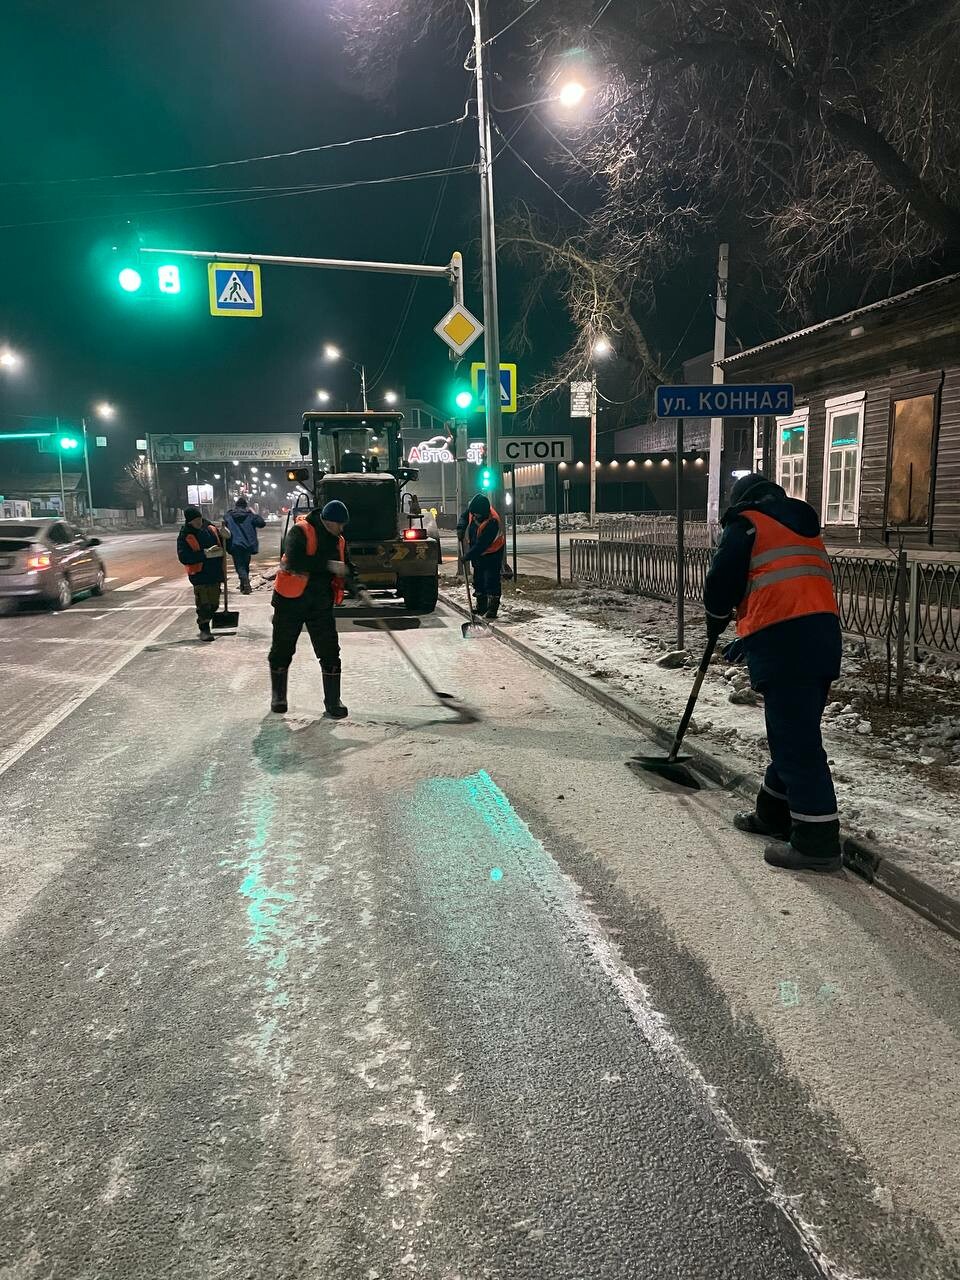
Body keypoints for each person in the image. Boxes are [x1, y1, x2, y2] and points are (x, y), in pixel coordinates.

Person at [703, 471, 843, 873]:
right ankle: (774, 814)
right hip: (821, 638)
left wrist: (716, 619)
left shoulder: (747, 524)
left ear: (743, 500)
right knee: (792, 732)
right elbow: (790, 589)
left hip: (785, 644)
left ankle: (817, 843)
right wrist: (749, 639)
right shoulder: (801, 526)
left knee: (797, 743)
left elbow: (720, 583)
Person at [268, 499, 357, 717]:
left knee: (330, 651)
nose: (342, 529)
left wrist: (357, 584)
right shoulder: (300, 531)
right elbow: (295, 561)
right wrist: (328, 565)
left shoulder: (339, 540)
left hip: (320, 603)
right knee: (282, 649)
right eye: (340, 524)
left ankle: (333, 701)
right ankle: (278, 697)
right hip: (290, 601)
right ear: (329, 521)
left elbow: (346, 566)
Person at [177, 505, 227, 643]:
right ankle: (204, 629)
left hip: (215, 572)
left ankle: (207, 621)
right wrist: (204, 554)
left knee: (214, 603)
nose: (198, 522)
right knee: (204, 604)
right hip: (199, 574)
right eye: (195, 521)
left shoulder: (211, 529)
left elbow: (225, 544)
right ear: (189, 522)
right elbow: (184, 557)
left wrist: (227, 536)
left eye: (199, 519)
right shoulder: (185, 535)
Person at [457, 493, 505, 619]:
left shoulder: (492, 522)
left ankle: (492, 609)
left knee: (491, 579)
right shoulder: (474, 509)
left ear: (483, 512)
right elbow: (464, 517)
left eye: (477, 515)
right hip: (478, 551)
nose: (474, 516)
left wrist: (467, 557)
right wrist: (461, 528)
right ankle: (481, 606)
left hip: (493, 552)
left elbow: (481, 546)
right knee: (478, 578)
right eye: (473, 514)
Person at [222, 495, 265, 594]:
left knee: (240, 566)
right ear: (246, 506)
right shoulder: (250, 516)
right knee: (245, 565)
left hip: (235, 544)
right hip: (248, 545)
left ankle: (245, 585)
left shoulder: (230, 515)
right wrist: (254, 513)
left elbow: (225, 520)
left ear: (236, 506)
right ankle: (245, 585)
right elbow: (262, 523)